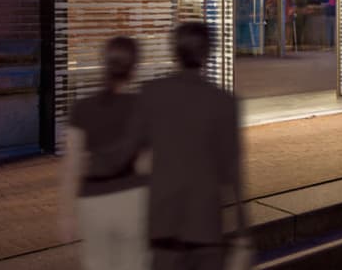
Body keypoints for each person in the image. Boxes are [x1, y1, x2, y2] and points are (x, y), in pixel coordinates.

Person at [89, 22, 248, 270]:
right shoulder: (225, 102)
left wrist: (92, 166)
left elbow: (126, 151)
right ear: (207, 53)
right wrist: (242, 234)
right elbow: (233, 173)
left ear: (174, 52)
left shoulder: (152, 93)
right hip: (206, 227)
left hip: (164, 225)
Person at [60, 36, 149, 270]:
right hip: (133, 199)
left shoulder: (83, 108)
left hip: (93, 203)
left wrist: (67, 213)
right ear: (135, 67)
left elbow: (72, 165)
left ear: (105, 64)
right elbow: (147, 163)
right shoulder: (142, 107)